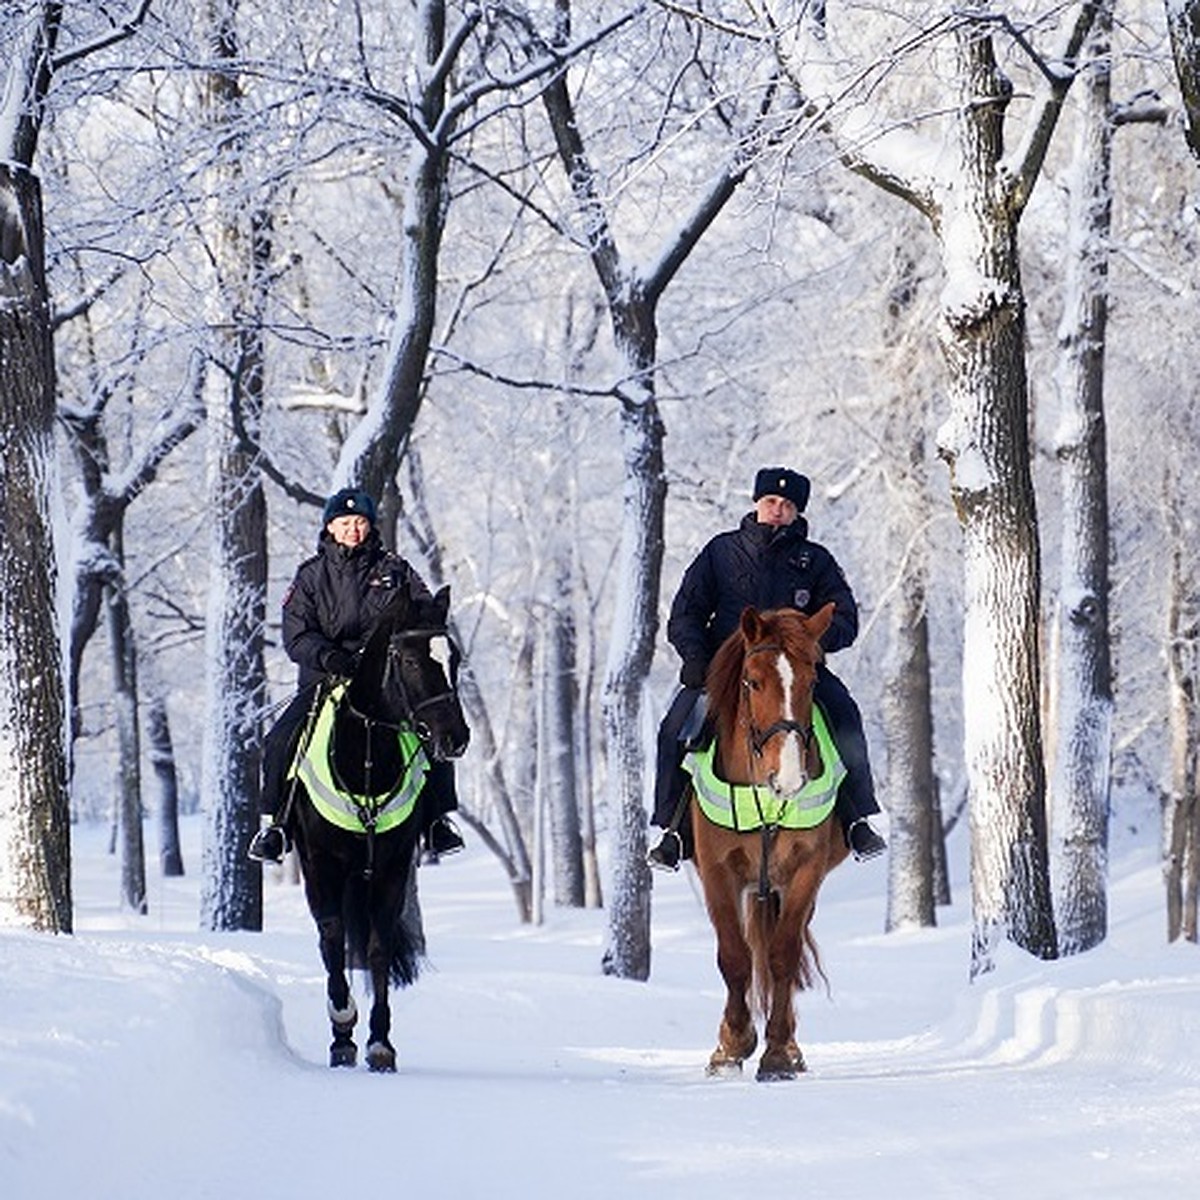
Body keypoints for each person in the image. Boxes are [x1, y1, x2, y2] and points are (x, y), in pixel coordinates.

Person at [647, 466, 886, 871]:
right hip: (724, 671)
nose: (778, 510)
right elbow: (685, 613)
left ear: (798, 513)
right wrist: (696, 658)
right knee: (675, 728)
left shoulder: (816, 561)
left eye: (788, 505)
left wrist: (807, 643)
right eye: (771, 502)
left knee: (845, 714)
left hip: (795, 670)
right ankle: (673, 830)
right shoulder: (720, 552)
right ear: (757, 503)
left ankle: (857, 817)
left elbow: (845, 618)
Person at [247, 487, 465, 864]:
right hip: (325, 676)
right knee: (280, 740)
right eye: (345, 523)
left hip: (385, 678)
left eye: (360, 522)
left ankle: (437, 823)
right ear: (330, 527)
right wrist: (329, 656)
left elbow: (424, 612)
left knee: (432, 730)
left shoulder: (396, 569)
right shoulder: (310, 577)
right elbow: (296, 635)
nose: (353, 530)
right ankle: (276, 826)